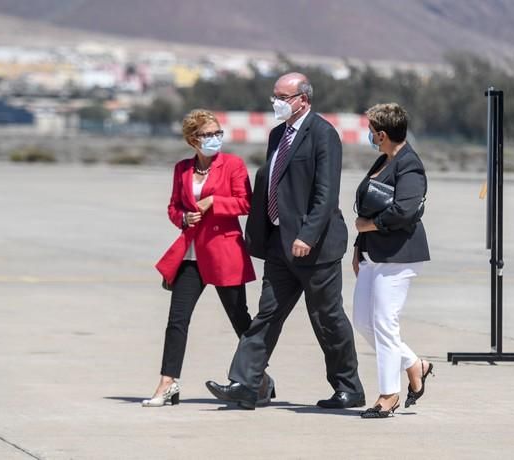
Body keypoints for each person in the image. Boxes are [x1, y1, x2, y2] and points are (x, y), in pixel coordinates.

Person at [205, 72, 365, 410]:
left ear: (302, 99)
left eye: (283, 96)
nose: (276, 102)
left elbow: (325, 194)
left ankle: (348, 387)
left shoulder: (323, 135)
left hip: (315, 247)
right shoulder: (278, 134)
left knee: (327, 318)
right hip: (280, 243)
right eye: (274, 96)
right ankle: (246, 383)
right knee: (267, 314)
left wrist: (307, 235)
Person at [142, 109, 262, 407]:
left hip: (224, 252)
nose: (215, 139)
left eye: (217, 133)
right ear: (193, 140)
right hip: (191, 255)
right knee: (176, 321)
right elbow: (173, 207)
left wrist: (213, 202)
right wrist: (183, 217)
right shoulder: (182, 169)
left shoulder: (233, 164)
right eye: (208, 135)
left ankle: (258, 378)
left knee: (240, 321)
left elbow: (245, 202)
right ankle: (168, 383)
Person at [352, 103, 433, 418]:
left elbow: (404, 210)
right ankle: (415, 364)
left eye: (372, 131)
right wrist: (360, 244)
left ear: (382, 134)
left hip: (399, 256)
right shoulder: (384, 159)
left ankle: (389, 395)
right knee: (363, 320)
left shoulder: (409, 164)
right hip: (375, 255)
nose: (369, 136)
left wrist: (366, 227)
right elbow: (370, 204)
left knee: (385, 324)